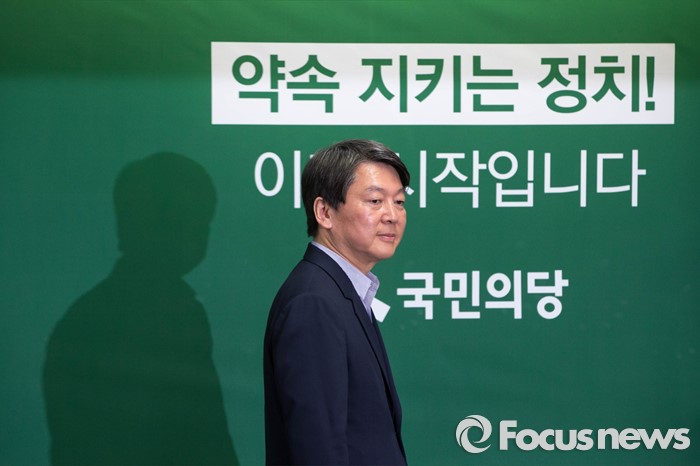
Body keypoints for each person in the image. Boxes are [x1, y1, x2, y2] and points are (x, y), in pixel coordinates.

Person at [263, 139, 410, 465]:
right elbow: (317, 449)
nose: (392, 215)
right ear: (324, 212)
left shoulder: (342, 291)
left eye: (399, 201)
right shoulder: (314, 302)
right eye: (375, 201)